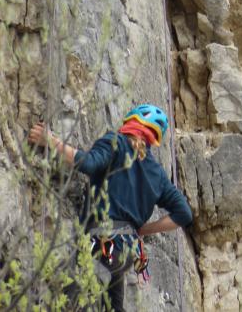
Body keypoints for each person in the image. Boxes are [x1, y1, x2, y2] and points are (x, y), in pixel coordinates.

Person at [28, 103, 193, 312]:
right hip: (126, 251)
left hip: (103, 242)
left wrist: (51, 141)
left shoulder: (116, 142)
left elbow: (89, 163)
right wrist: (142, 230)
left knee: (70, 298)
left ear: (131, 120)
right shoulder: (157, 173)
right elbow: (184, 214)